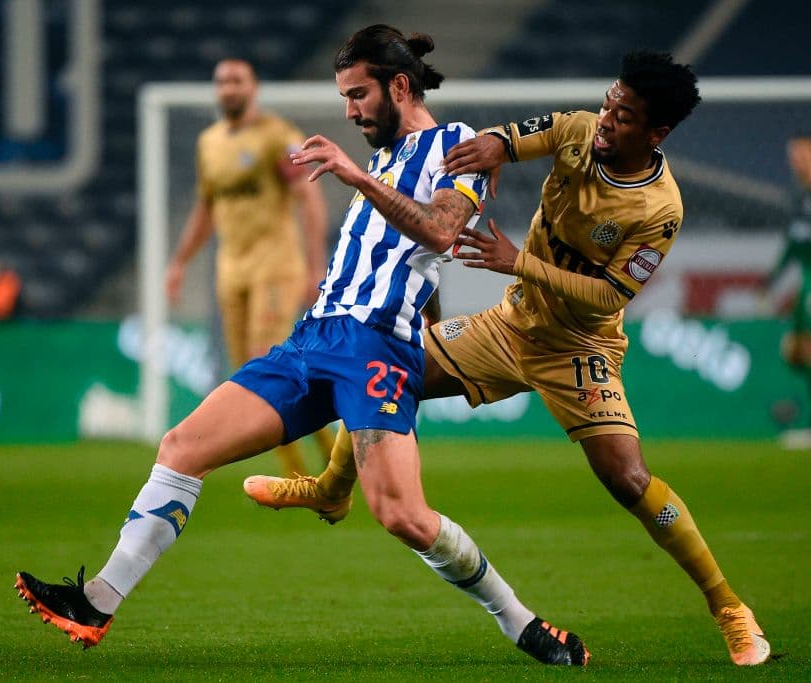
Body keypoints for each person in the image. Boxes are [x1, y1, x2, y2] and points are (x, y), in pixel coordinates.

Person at [15, 25, 588, 666]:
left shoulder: (458, 147)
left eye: (358, 94)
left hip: (376, 348)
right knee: (181, 448)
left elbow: (440, 233)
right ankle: (97, 601)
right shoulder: (384, 159)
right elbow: (408, 258)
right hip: (314, 337)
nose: (350, 111)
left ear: (400, 86)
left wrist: (355, 178)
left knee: (402, 515)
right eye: (344, 97)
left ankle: (519, 622)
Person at [244, 50, 772, 667]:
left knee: (628, 479)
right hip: (509, 326)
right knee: (390, 362)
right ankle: (332, 490)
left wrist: (518, 262)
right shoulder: (577, 130)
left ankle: (729, 608)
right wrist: (487, 154)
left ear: (656, 133)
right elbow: (501, 139)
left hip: (579, 349)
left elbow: (610, 294)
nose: (606, 121)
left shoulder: (660, 210)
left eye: (624, 117)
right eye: (609, 103)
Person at [164, 57, 334, 476]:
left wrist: (316, 266)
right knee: (248, 375)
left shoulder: (277, 137)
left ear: (253, 87)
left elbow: (309, 197)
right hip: (231, 270)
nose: (229, 88)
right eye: (222, 81)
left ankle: (309, 473)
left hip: (275, 264)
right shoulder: (209, 143)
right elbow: (207, 209)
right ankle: (317, 461)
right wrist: (179, 262)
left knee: (266, 365)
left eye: (237, 80)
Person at [767, 133, 811, 446]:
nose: (796, 161)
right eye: (793, 155)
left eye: (803, 154)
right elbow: (794, 245)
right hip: (806, 279)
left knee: (805, 347)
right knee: (795, 350)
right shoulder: (797, 197)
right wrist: (771, 281)